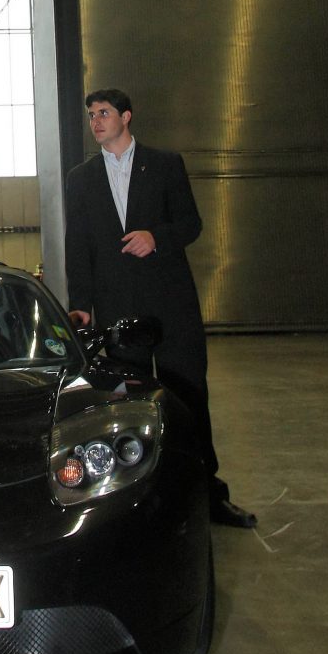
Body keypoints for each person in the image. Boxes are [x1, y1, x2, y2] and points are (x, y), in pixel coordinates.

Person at [64, 87, 256, 528]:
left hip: (171, 302)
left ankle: (208, 496)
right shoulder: (81, 178)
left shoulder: (166, 165)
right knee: (128, 402)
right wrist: (80, 304)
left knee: (188, 396)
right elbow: (78, 245)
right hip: (116, 307)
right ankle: (135, 502)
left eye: (104, 113)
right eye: (91, 114)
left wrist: (157, 237)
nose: (96, 121)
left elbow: (191, 223)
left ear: (126, 117)